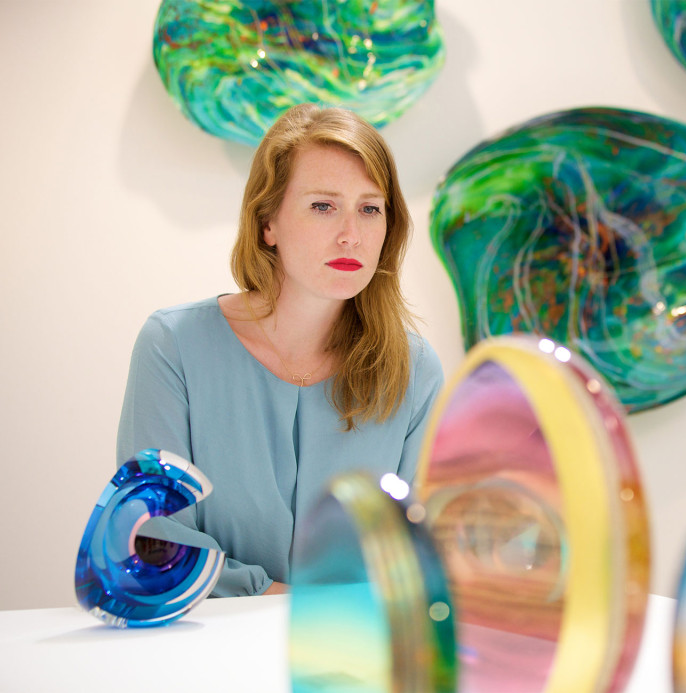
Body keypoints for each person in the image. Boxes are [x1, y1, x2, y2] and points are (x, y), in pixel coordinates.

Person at [117, 103, 444, 597]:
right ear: (268, 222)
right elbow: (150, 541)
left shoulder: (416, 373)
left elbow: (414, 561)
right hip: (195, 654)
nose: (350, 235)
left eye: (370, 208)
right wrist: (286, 605)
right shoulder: (173, 347)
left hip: (353, 660)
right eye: (322, 206)